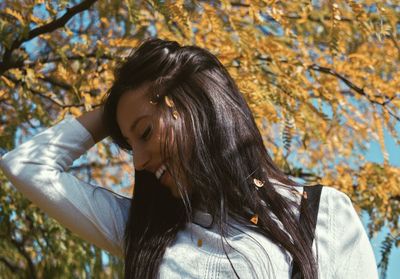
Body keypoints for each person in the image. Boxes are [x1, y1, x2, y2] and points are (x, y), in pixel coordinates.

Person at [0, 38, 378, 279]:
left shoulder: (319, 214)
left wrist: (175, 79)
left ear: (197, 105)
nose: (139, 161)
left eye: (145, 133)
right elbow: (27, 165)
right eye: (132, 146)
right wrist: (114, 108)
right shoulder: (145, 232)